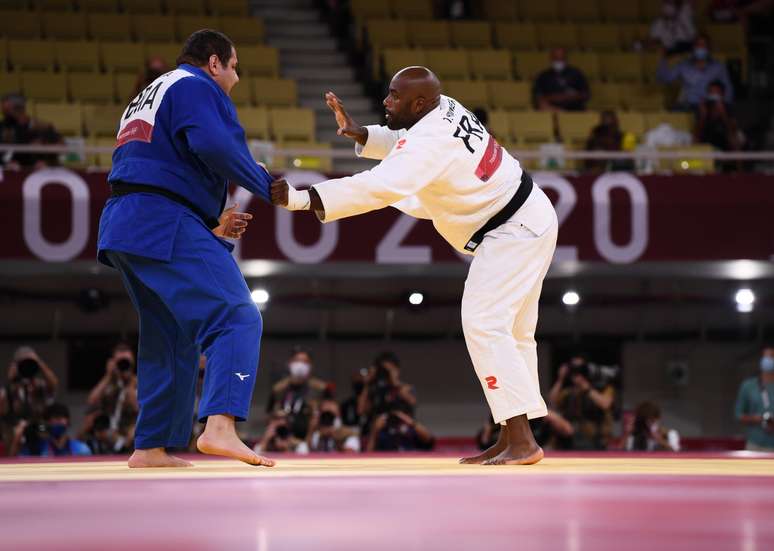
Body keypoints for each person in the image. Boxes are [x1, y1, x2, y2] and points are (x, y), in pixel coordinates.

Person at [272, 66, 558, 465]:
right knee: (512, 333)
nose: (385, 102)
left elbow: (376, 185)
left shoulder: (430, 141)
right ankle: (515, 435)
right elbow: (406, 139)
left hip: (514, 229)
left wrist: (301, 199)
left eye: (393, 97)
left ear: (419, 102)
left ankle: (523, 439)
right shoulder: (444, 107)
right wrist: (364, 134)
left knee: (484, 324)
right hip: (528, 215)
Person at [96, 29, 279, 468]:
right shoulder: (195, 84)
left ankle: (151, 446)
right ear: (214, 62)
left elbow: (158, 166)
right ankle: (220, 425)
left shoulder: (149, 93)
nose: (235, 79)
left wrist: (208, 222)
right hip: (161, 218)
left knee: (169, 335)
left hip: (127, 222)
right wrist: (268, 187)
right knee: (236, 315)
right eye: (234, 67)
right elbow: (213, 145)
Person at [548, 356, 616, 450]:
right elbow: (552, 402)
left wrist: (586, 388)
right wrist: (560, 379)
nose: (577, 373)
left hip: (595, 437)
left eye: (581, 369)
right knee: (549, 415)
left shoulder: (603, 387)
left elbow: (605, 404)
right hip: (569, 436)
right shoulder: (569, 391)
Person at [0, 346, 59, 451]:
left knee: (44, 430)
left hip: (38, 427)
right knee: (14, 434)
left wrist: (38, 362)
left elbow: (54, 384)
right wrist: (11, 382)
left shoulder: (39, 385)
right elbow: (3, 412)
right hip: (14, 430)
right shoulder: (8, 390)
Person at [84, 341, 139, 449]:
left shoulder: (137, 383)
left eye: (127, 361)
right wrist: (108, 376)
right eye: (120, 361)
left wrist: (129, 384)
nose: (124, 365)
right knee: (89, 420)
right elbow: (91, 401)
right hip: (107, 431)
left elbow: (136, 408)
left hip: (130, 434)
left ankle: (122, 446)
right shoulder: (109, 383)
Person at [656, 34, 733, 111]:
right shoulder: (683, 66)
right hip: (689, 105)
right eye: (698, 44)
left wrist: (725, 106)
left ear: (708, 48)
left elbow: (728, 87)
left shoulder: (718, 67)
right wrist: (663, 60)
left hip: (710, 106)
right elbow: (666, 78)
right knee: (674, 113)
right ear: (693, 48)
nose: (700, 47)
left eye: (704, 44)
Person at [266, 347, 328, 440]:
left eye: (304, 362)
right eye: (297, 361)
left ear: (311, 366)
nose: (300, 365)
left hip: (311, 438)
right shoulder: (279, 389)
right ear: (289, 363)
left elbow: (327, 418)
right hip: (283, 438)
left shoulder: (320, 388)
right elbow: (269, 414)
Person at [0, 93, 63, 169]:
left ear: (18, 108)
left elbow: (61, 147)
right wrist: (5, 164)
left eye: (6, 109)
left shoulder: (42, 127)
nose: (2, 111)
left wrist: (44, 147)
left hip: (38, 170)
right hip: (9, 170)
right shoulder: (2, 127)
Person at [11, 403, 91, 457]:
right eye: (55, 418)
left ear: (68, 421)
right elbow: (14, 463)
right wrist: (17, 439)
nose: (58, 422)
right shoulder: (36, 448)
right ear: (46, 423)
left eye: (61, 418)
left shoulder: (81, 448)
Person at [734, 347, 774, 451]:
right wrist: (758, 419)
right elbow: (739, 414)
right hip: (754, 443)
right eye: (765, 357)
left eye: (771, 357)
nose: (768, 360)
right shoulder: (748, 386)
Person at [533, 48, 589, 112]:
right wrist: (553, 98)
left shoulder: (576, 74)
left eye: (561, 58)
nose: (559, 61)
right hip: (551, 110)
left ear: (566, 58)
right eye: (556, 58)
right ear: (551, 58)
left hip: (574, 110)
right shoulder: (543, 76)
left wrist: (569, 97)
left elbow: (585, 94)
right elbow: (537, 96)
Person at [695, 80, 742, 152]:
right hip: (707, 137)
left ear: (722, 94)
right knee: (695, 140)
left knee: (734, 139)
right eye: (711, 92)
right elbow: (697, 133)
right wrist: (703, 116)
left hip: (724, 137)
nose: (713, 95)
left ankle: (737, 162)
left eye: (716, 92)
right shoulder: (704, 107)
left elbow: (732, 131)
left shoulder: (727, 107)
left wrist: (723, 114)